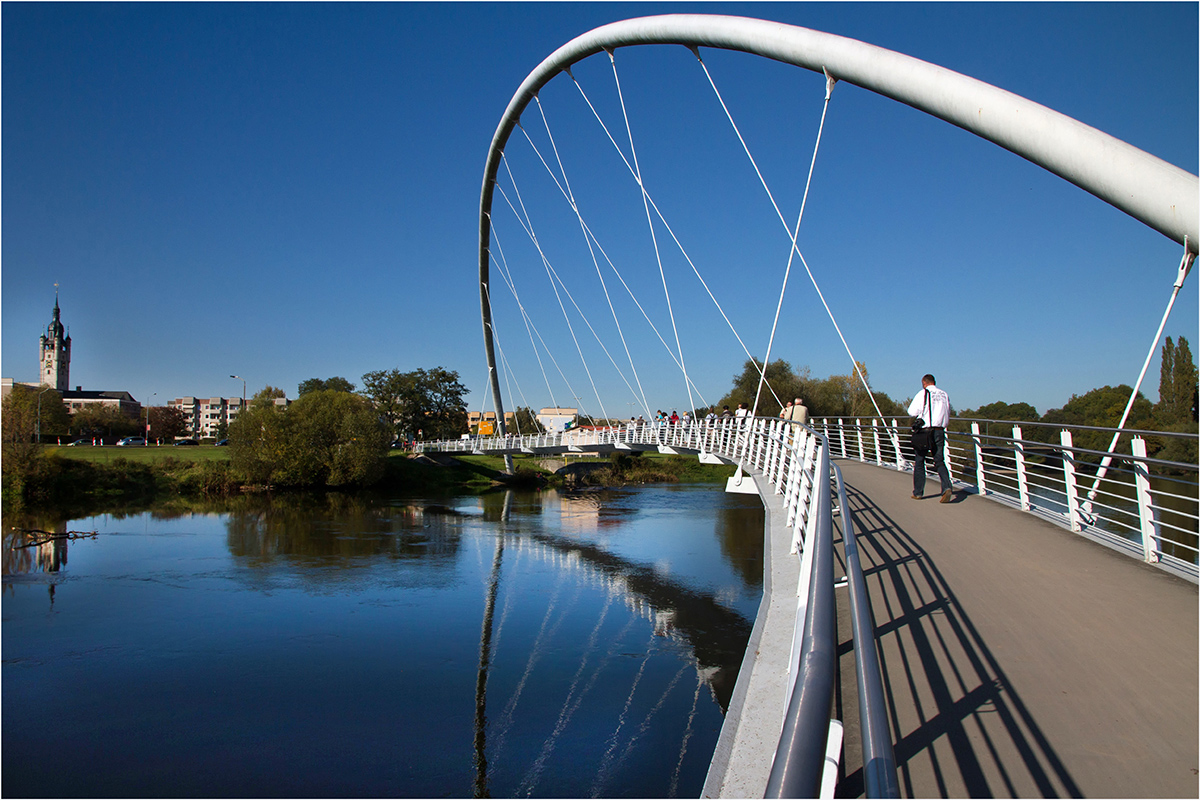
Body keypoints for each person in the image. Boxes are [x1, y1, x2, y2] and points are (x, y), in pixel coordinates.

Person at [907, 374, 953, 502]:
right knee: (939, 460)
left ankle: (918, 492)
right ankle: (947, 487)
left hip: (925, 432)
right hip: (939, 430)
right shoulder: (944, 394)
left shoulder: (923, 393)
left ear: (924, 383)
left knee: (920, 460)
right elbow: (948, 412)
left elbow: (911, 411)